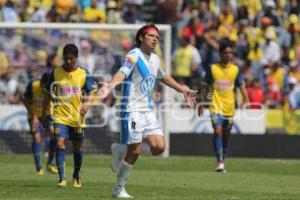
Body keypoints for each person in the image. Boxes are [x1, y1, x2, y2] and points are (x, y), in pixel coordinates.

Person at [98, 24, 196, 198]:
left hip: (147, 110)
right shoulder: (133, 55)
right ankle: (118, 188)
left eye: (157, 37)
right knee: (135, 151)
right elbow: (122, 72)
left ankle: (121, 149)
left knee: (159, 147)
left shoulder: (156, 59)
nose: (155, 39)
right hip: (132, 109)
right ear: (141, 38)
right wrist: (110, 85)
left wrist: (183, 90)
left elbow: (163, 76)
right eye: (151, 36)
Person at [42, 43, 96, 188]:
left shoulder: (84, 73)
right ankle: (62, 178)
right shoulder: (55, 72)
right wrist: (43, 113)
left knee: (77, 148)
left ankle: (76, 176)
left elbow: (91, 92)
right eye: (66, 58)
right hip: (60, 116)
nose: (69, 61)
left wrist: (87, 105)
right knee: (60, 143)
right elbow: (47, 94)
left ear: (76, 58)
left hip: (77, 117)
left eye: (71, 58)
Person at [198, 40, 249, 172]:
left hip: (229, 107)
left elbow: (241, 85)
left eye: (230, 53)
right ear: (220, 53)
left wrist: (246, 99)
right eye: (225, 52)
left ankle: (223, 156)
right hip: (215, 105)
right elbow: (204, 87)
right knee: (217, 131)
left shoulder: (235, 69)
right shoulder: (212, 69)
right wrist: (202, 103)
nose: (228, 55)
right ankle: (219, 161)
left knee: (226, 134)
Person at [22, 73, 58, 175]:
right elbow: (24, 100)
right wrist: (33, 116)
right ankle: (38, 167)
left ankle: (50, 163)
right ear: (41, 82)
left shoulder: (54, 88)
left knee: (54, 135)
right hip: (34, 115)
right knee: (37, 137)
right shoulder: (33, 85)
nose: (44, 89)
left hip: (47, 115)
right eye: (43, 85)